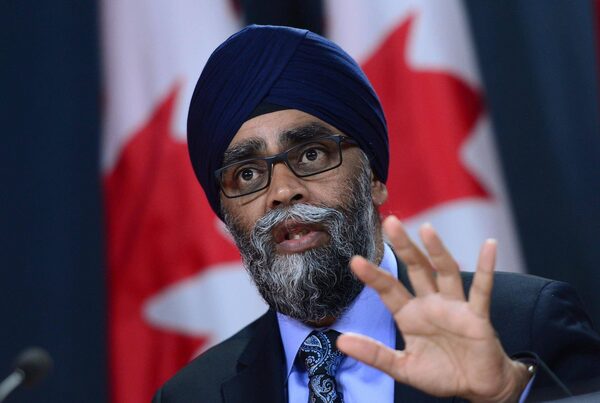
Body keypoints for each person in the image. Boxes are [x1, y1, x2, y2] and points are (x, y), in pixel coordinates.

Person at [153, 25, 600, 403]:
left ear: (374, 178)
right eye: (248, 174)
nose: (283, 191)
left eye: (311, 154)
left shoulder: (526, 326)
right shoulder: (191, 395)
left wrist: (507, 392)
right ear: (226, 215)